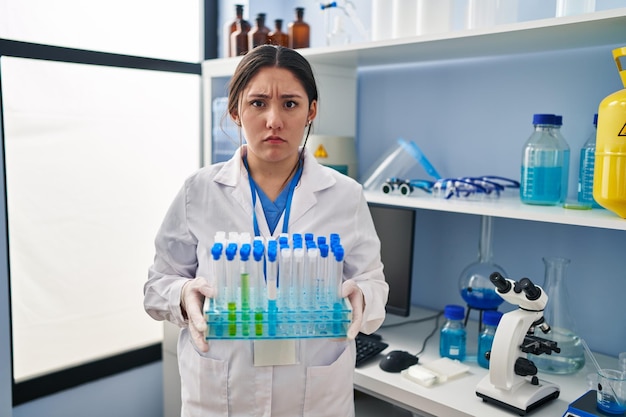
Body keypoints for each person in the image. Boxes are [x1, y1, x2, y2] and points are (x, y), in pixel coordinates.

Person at [144, 44, 388, 417]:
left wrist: (362, 299)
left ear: (311, 111)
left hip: (314, 396)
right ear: (235, 110)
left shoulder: (345, 195)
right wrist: (183, 295)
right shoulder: (200, 191)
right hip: (223, 390)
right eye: (258, 103)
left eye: (290, 104)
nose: (274, 120)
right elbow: (157, 284)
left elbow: (373, 283)